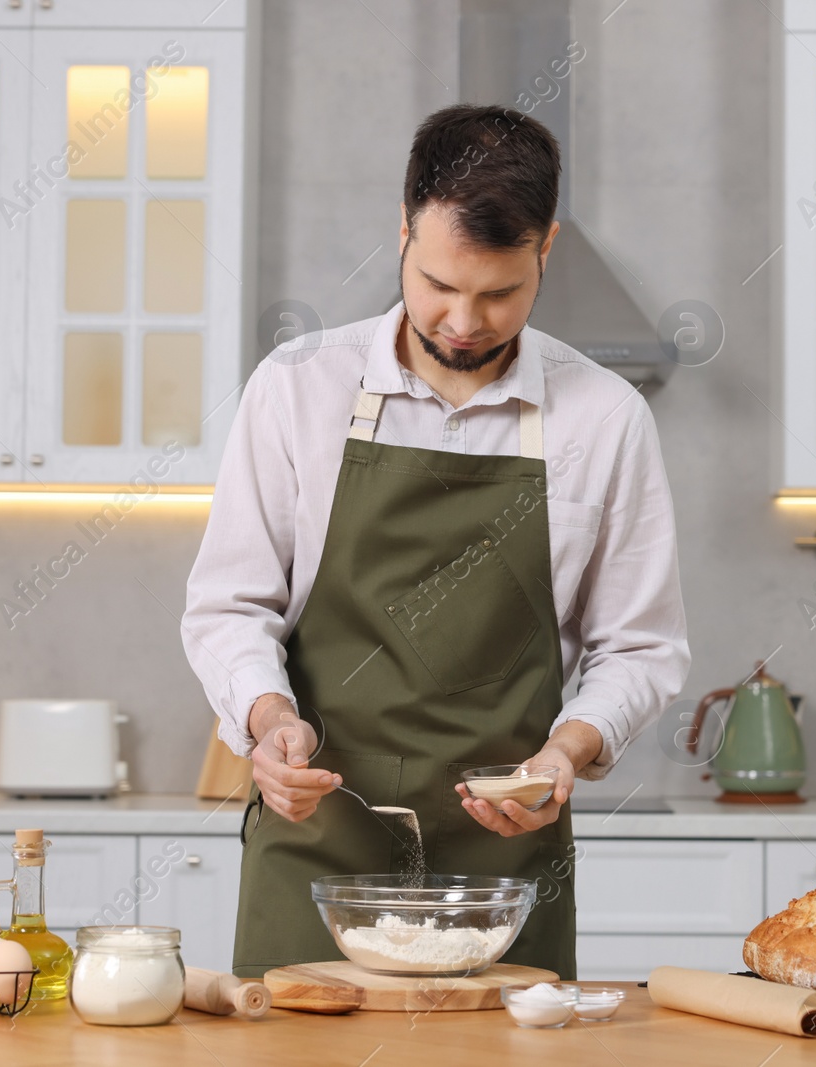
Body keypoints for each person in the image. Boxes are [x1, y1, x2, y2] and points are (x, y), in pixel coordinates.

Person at [182, 103, 690, 979]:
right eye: (438, 283)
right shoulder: (297, 389)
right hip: (318, 849)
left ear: (546, 250)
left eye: (500, 293)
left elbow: (640, 646)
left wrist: (564, 754)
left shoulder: (605, 418)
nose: (464, 320)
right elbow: (230, 604)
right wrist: (268, 723)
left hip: (501, 871)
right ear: (405, 231)